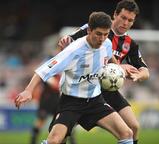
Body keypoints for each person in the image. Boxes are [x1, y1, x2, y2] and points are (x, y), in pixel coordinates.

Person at [15, 11, 134, 144]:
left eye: (105, 34)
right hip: (71, 102)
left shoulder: (106, 44)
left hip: (95, 101)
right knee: (54, 141)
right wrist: (28, 90)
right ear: (89, 30)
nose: (102, 38)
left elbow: (109, 57)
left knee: (127, 133)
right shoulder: (74, 50)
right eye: (98, 34)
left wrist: (119, 68)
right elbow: (44, 69)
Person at [58, 1, 150, 144]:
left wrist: (137, 75)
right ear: (115, 14)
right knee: (60, 136)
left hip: (108, 88)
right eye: (123, 18)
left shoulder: (130, 44)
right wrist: (66, 41)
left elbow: (145, 71)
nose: (125, 23)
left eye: (130, 20)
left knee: (134, 126)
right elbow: (70, 40)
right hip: (84, 88)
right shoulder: (96, 29)